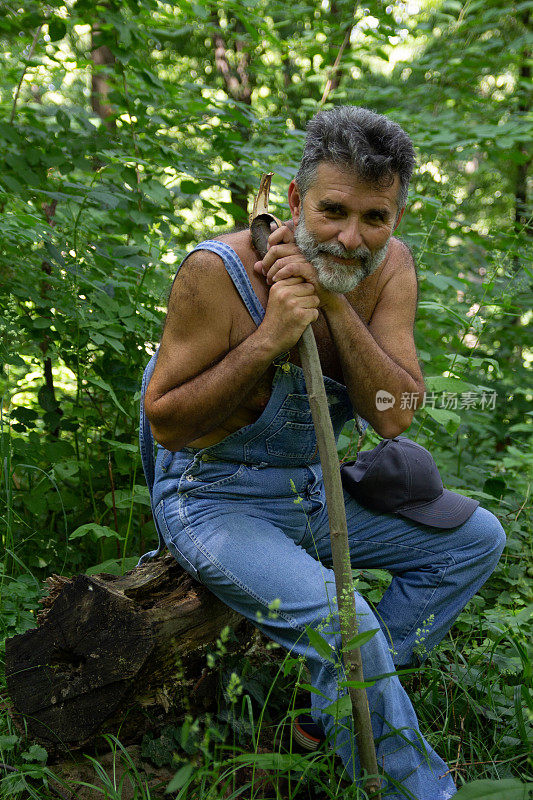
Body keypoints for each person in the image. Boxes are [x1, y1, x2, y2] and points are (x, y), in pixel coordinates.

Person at [139, 106, 505, 799]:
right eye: (333, 212)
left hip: (310, 490)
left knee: (475, 541)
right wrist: (271, 336)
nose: (350, 236)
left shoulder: (387, 268)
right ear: (295, 201)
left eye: (375, 218)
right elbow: (166, 425)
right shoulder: (215, 272)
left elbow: (394, 416)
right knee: (350, 625)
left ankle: (322, 719)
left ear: (396, 217)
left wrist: (335, 307)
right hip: (213, 502)